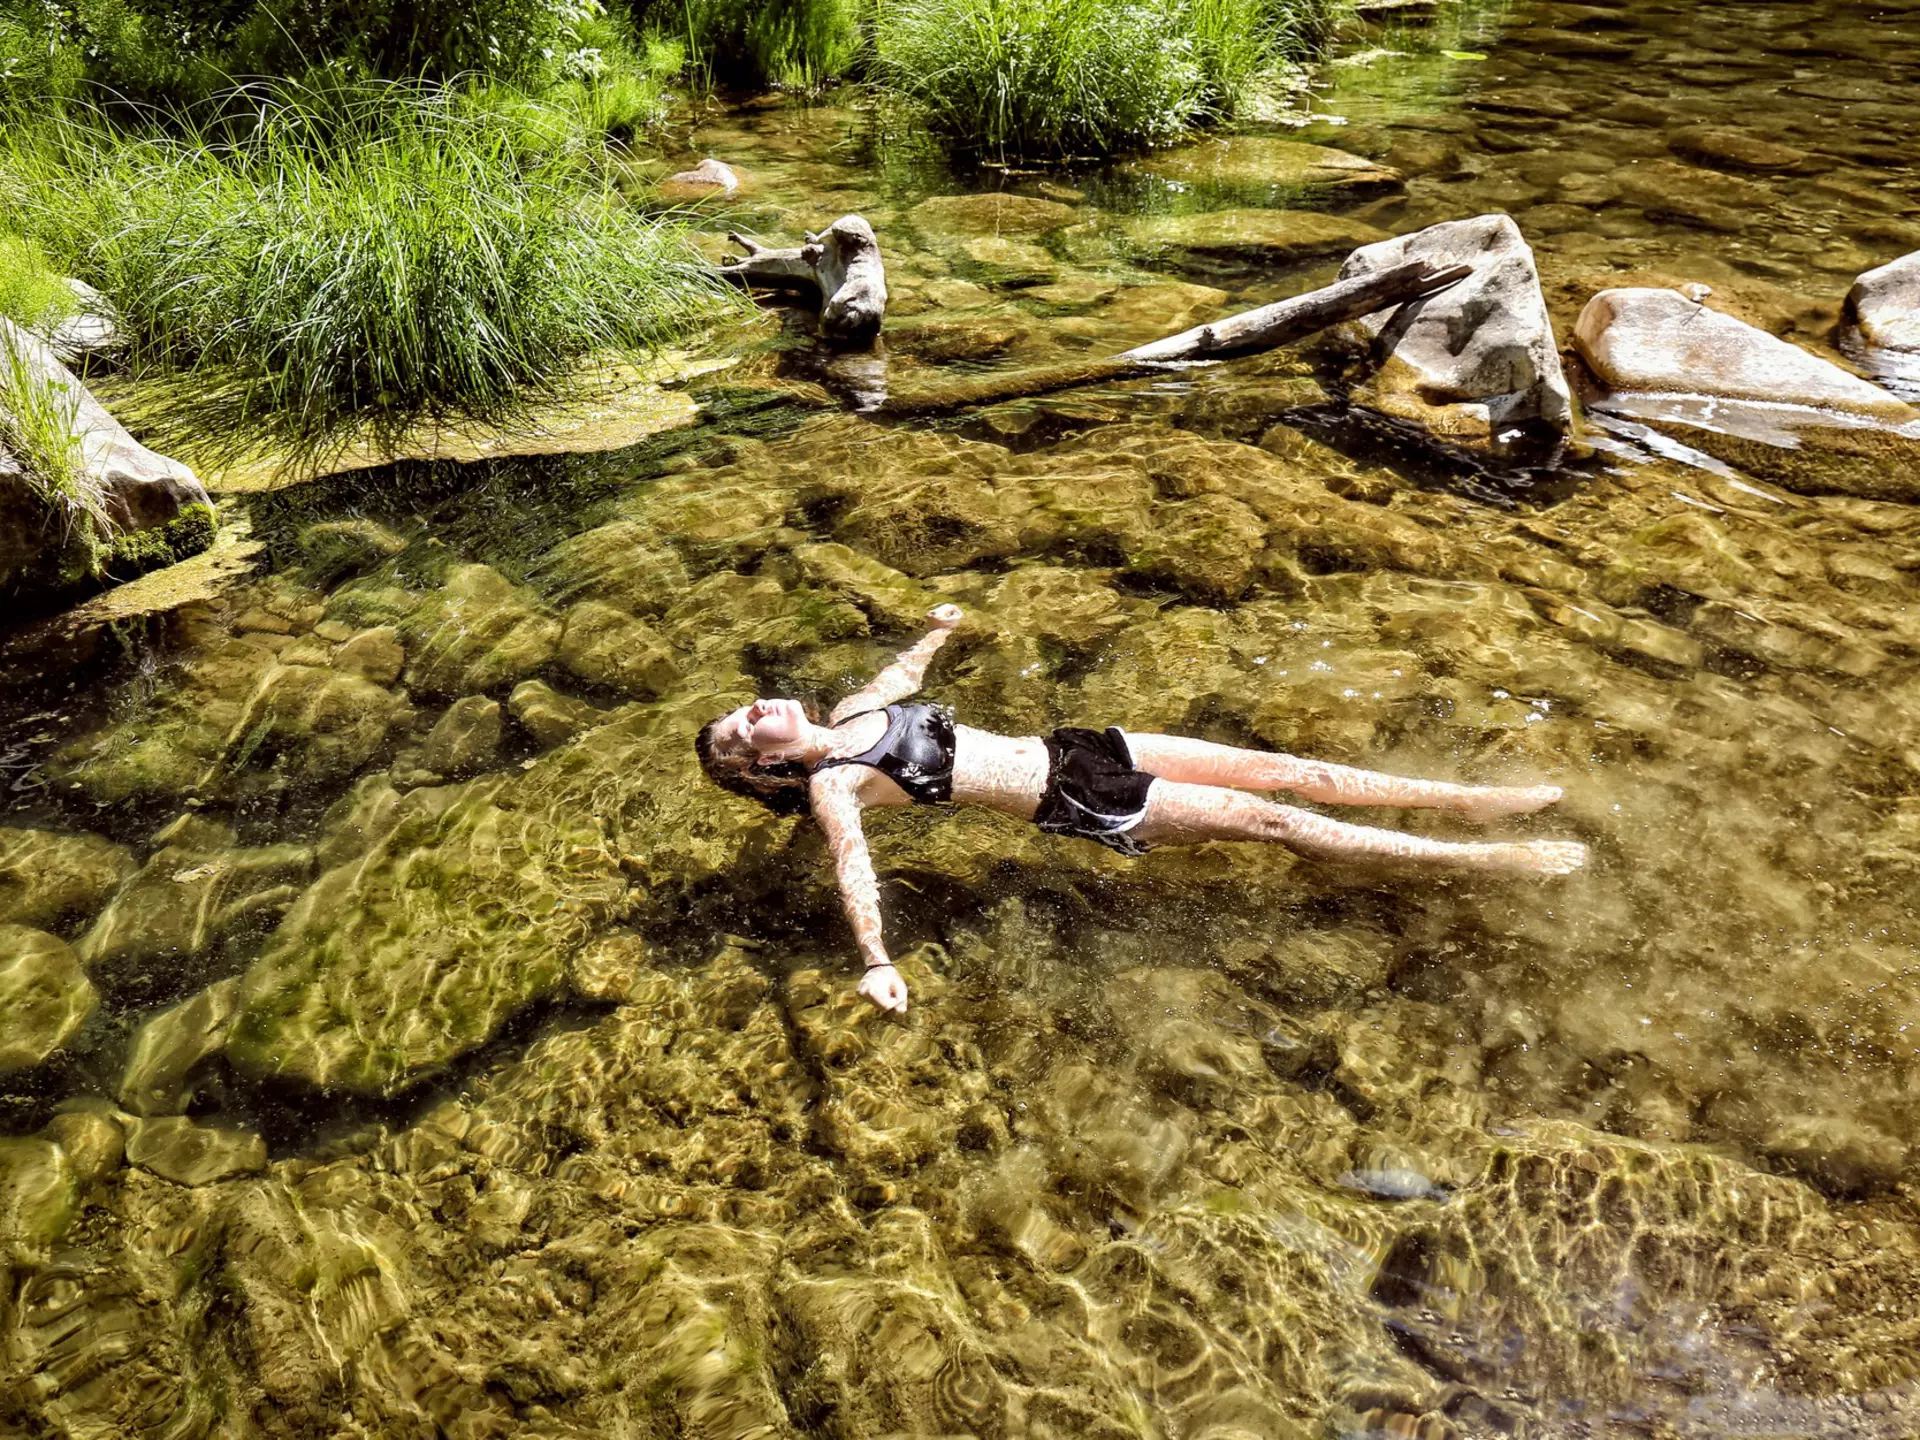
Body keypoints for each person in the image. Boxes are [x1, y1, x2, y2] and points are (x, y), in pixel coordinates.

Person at [696, 605, 1585, 1014]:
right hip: (1071, 796)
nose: (753, 710)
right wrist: (877, 958)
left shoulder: (853, 713)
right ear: (763, 771)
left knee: (1275, 767)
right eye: (743, 732)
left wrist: (937, 630)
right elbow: (853, 864)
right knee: (1271, 822)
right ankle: (1477, 861)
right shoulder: (829, 786)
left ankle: (1469, 805)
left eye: (740, 708)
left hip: (1080, 746)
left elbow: (904, 678)